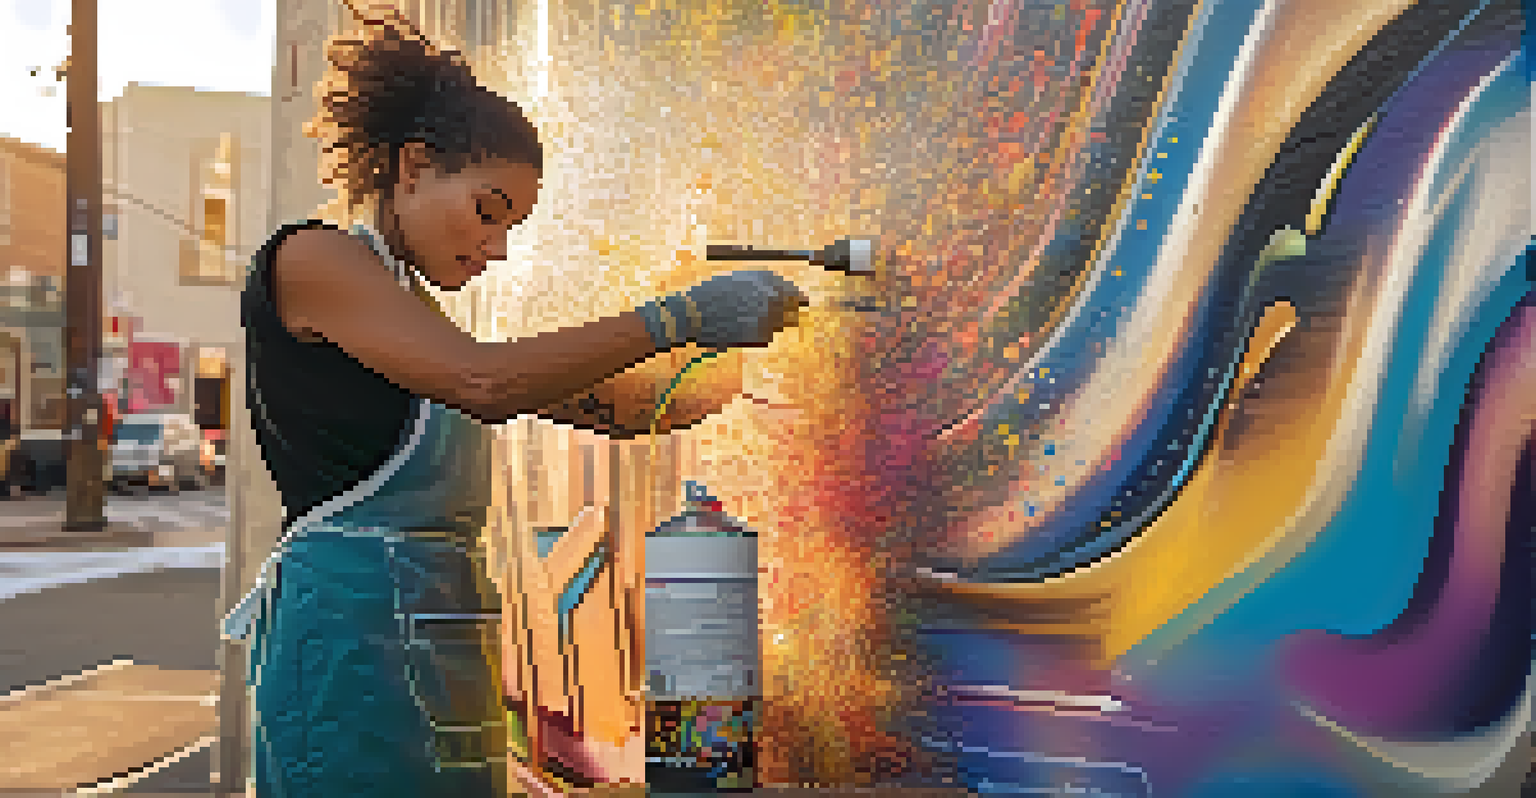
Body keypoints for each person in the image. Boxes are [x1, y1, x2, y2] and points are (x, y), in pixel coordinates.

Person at [222, 9, 808, 797]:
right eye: (487, 212)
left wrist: (742, 362)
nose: (494, 250)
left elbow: (615, 405)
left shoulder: (417, 315)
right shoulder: (313, 257)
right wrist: (681, 316)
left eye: (510, 228)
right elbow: (486, 383)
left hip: (436, 650)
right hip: (348, 651)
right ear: (414, 166)